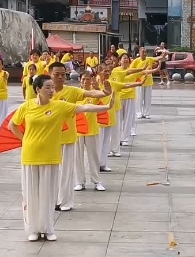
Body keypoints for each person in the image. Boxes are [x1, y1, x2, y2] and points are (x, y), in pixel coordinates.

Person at [8, 74, 115, 242]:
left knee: (49, 193)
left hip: (51, 156)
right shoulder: (26, 106)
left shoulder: (60, 106)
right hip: (30, 155)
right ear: (38, 89)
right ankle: (34, 229)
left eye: (52, 87)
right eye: (48, 87)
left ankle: (48, 228)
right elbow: (12, 125)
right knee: (31, 193)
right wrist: (24, 140)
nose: (52, 90)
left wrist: (108, 104)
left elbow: (85, 108)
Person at [48, 62, 112, 212]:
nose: (60, 77)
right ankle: (52, 199)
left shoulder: (71, 91)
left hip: (69, 136)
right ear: (49, 74)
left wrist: (104, 92)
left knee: (66, 171)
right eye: (56, 74)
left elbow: (90, 94)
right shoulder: (46, 92)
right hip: (51, 137)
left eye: (63, 74)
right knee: (51, 172)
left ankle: (65, 201)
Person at [74, 72, 106, 192]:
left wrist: (98, 88)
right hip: (77, 130)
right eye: (83, 79)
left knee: (93, 156)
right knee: (78, 157)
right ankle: (79, 181)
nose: (85, 81)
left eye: (87, 79)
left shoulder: (94, 93)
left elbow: (103, 96)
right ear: (80, 80)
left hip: (91, 129)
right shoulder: (75, 94)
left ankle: (96, 181)